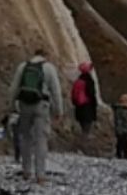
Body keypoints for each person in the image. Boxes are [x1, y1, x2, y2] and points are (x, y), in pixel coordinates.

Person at [6, 47, 63, 185]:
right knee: (41, 140)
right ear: (45, 56)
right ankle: (40, 175)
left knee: (26, 138)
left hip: (24, 105)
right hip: (41, 106)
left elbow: (14, 88)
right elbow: (56, 91)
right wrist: (58, 111)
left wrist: (11, 105)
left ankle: (26, 171)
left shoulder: (23, 66)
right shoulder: (49, 68)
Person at [69, 61, 99, 143]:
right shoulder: (89, 81)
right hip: (87, 106)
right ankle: (84, 144)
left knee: (83, 125)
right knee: (87, 127)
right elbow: (92, 94)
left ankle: (81, 142)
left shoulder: (78, 80)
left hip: (79, 106)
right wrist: (95, 106)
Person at [112, 93, 127, 161]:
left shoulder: (122, 110)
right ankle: (122, 155)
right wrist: (120, 130)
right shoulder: (121, 110)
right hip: (122, 130)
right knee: (122, 143)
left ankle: (123, 155)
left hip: (123, 129)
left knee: (123, 143)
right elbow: (119, 121)